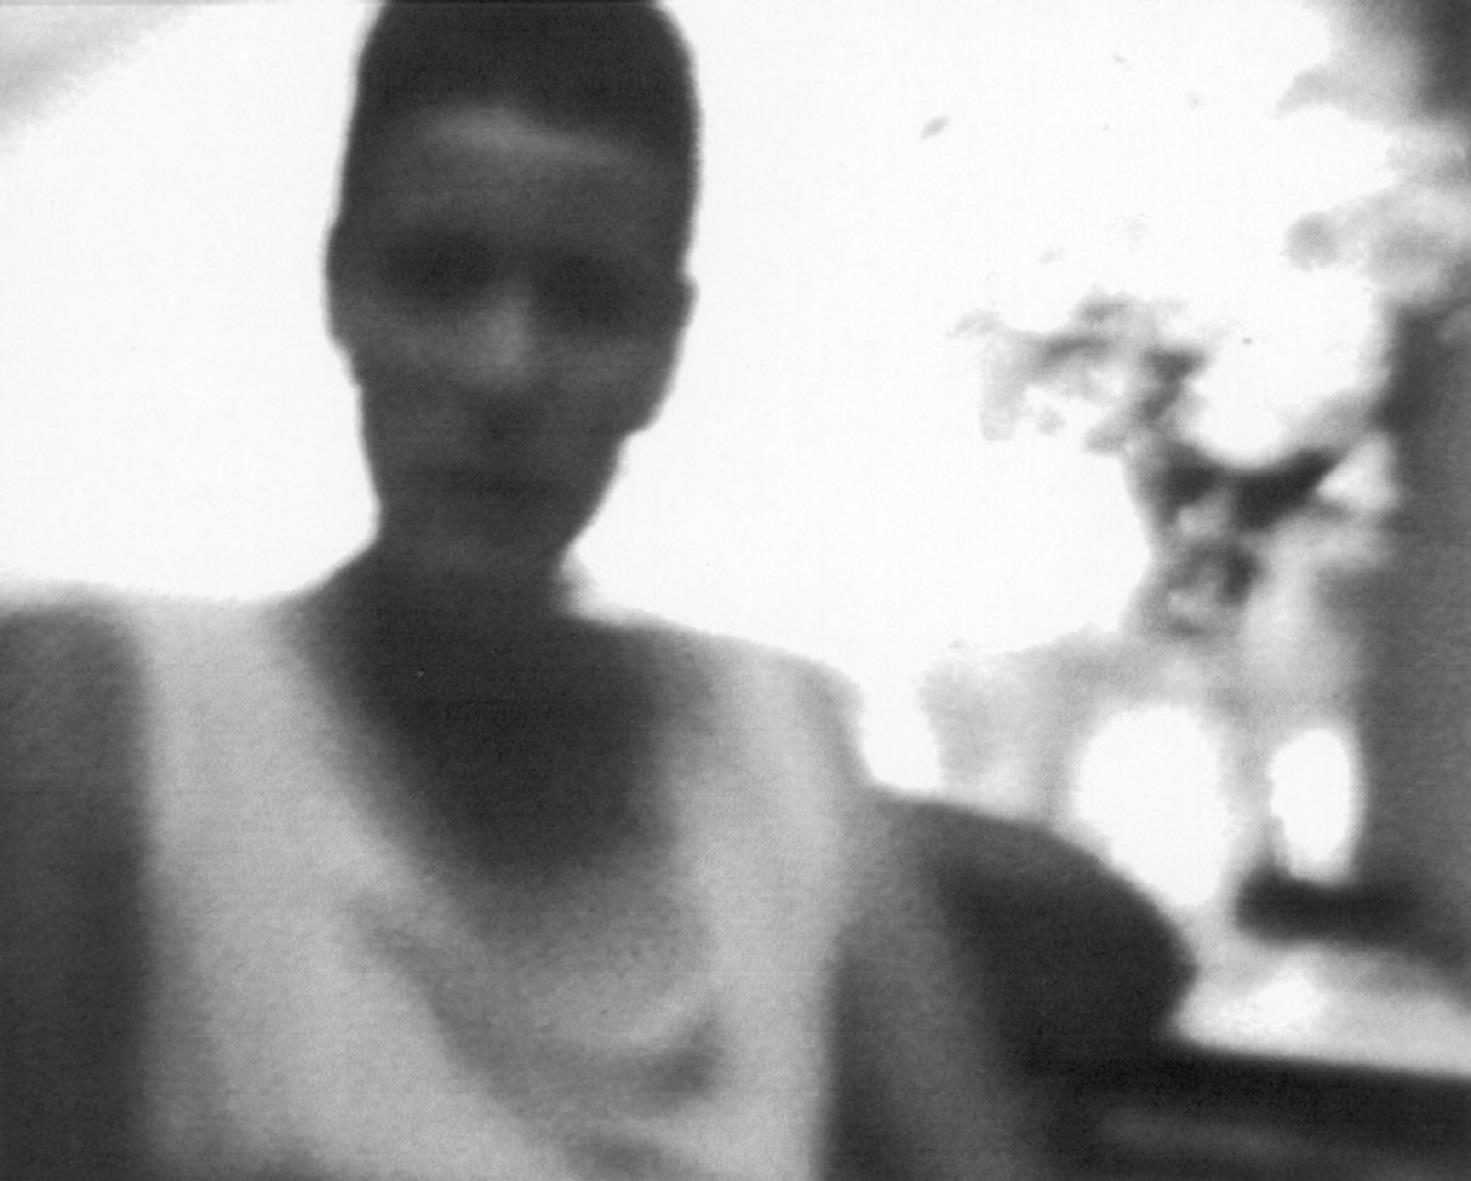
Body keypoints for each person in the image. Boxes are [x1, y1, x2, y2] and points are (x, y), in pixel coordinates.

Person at [0, 3, 1051, 1178]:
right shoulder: (123, 724)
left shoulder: (779, 758)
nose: (505, 370)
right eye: (439, 279)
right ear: (343, 291)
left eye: (587, 301)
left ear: (662, 351)